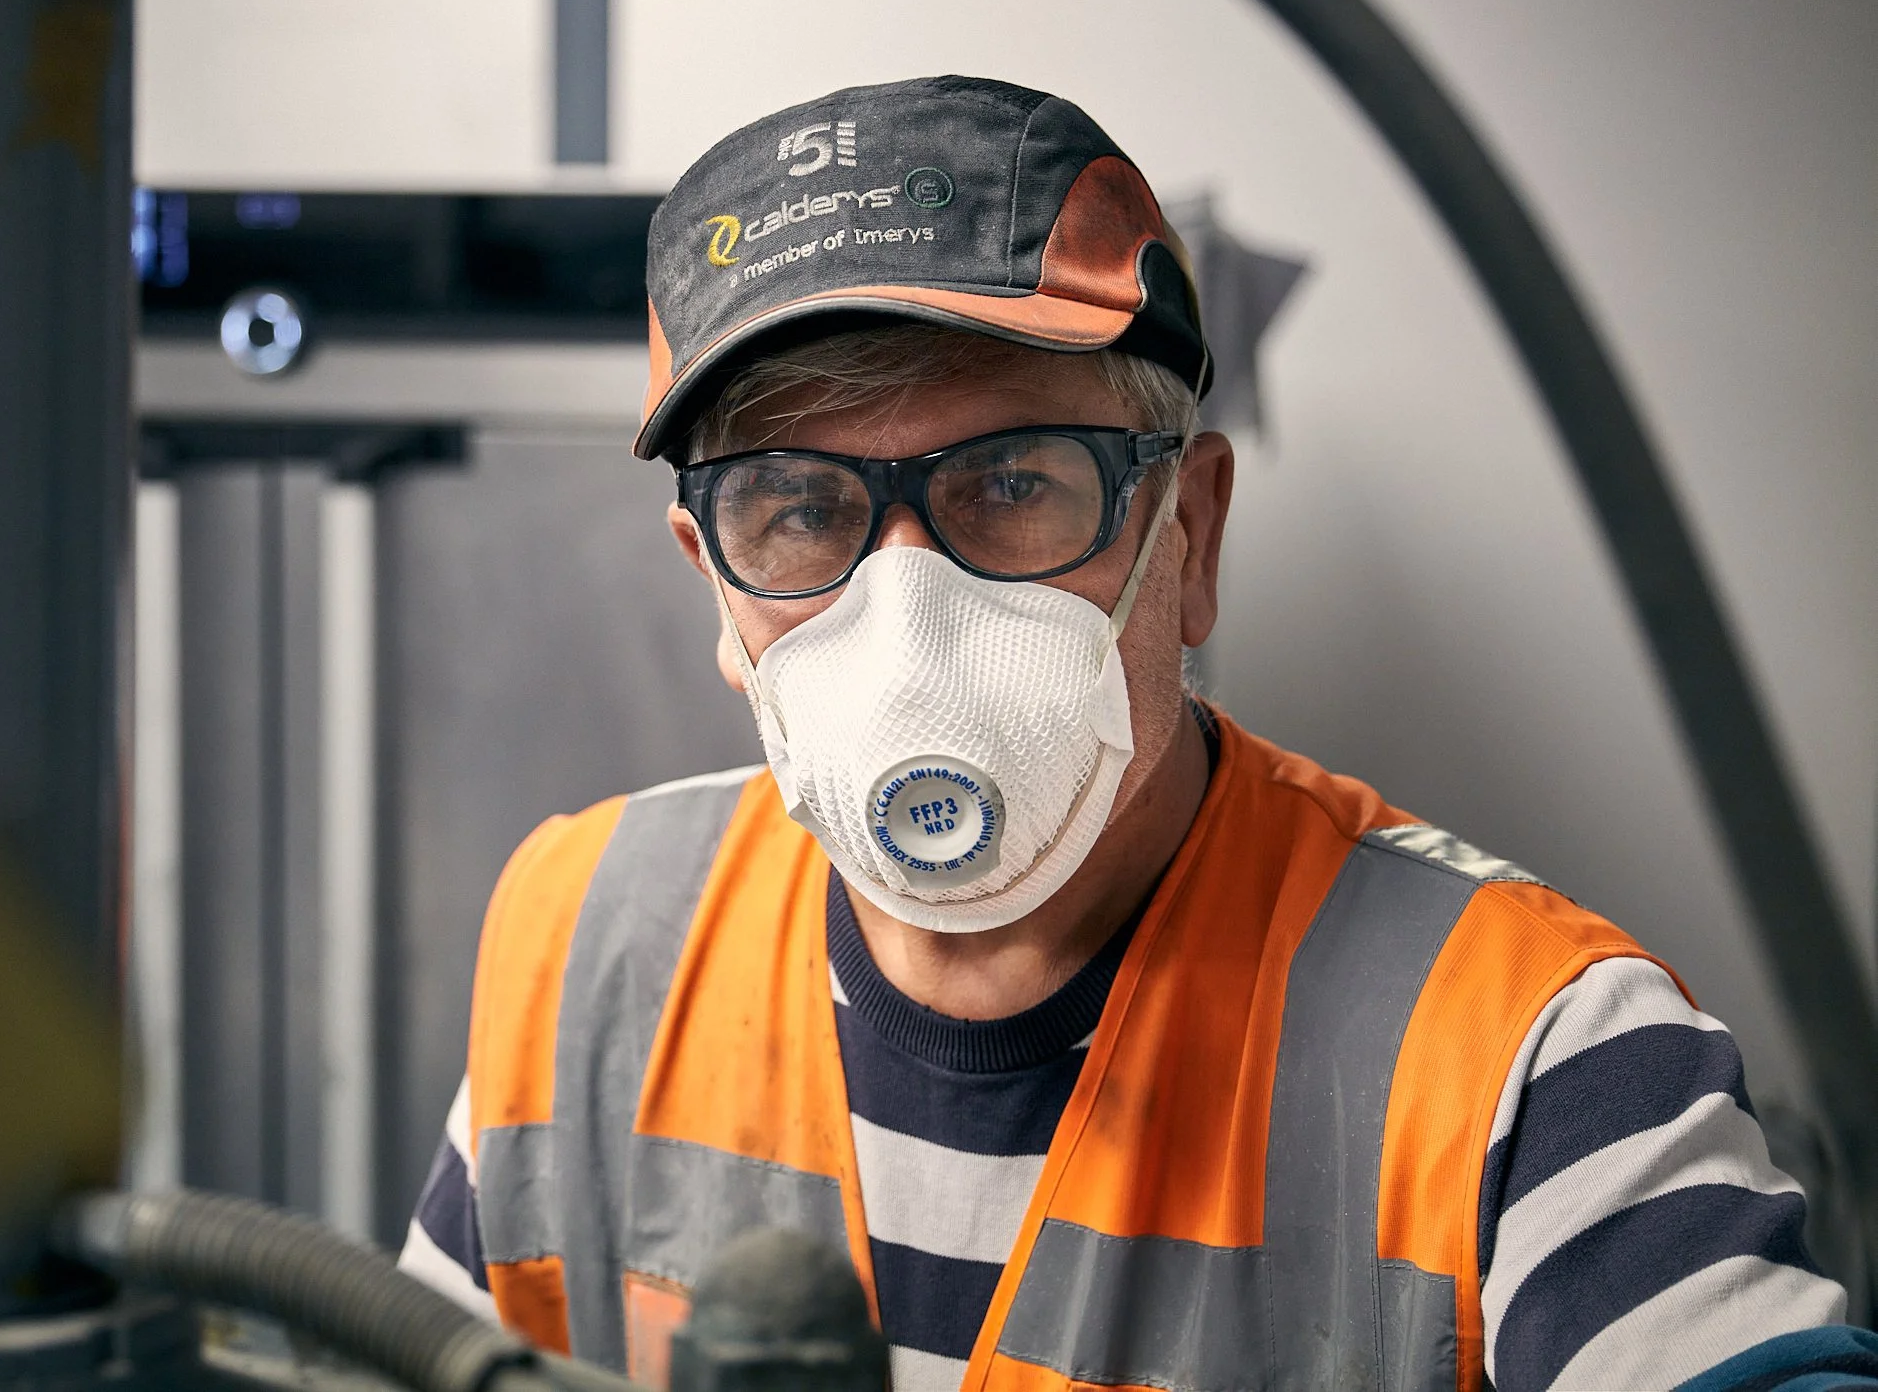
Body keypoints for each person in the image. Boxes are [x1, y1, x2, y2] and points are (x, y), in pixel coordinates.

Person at [397, 75, 1876, 1392]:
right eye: (798, 508)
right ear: (713, 586)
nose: (906, 620)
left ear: (1194, 534)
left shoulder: (1531, 1060)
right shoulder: (579, 945)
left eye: (1014, 483)